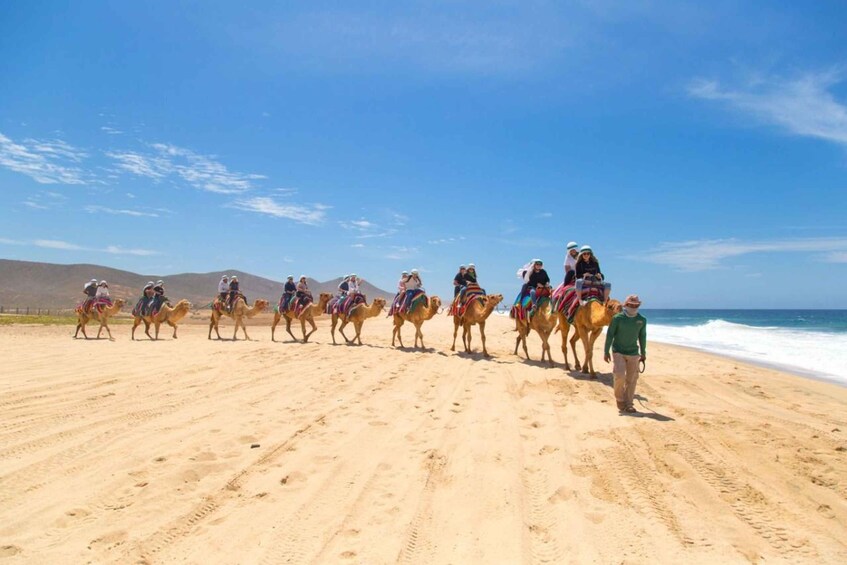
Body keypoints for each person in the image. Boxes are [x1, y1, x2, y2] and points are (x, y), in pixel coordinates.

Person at [604, 295, 647, 414]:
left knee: (632, 379)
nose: (633, 307)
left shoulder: (642, 320)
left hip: (633, 352)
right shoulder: (617, 318)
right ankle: (619, 399)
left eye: (636, 305)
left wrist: (643, 353)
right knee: (619, 376)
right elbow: (610, 335)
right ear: (626, 305)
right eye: (631, 305)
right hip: (618, 351)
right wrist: (606, 351)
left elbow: (642, 336)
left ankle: (629, 403)